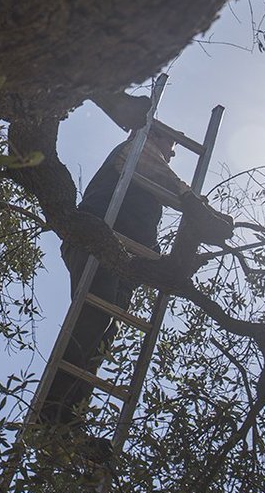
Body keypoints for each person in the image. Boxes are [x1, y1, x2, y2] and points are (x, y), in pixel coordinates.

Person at [40, 121, 235, 431]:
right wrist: (198, 208)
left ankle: (69, 418)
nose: (169, 157)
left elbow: (150, 226)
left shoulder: (147, 184)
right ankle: (51, 413)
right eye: (169, 150)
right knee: (93, 318)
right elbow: (167, 179)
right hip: (99, 239)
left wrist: (168, 257)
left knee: (104, 334)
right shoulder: (134, 150)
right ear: (153, 134)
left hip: (124, 256)